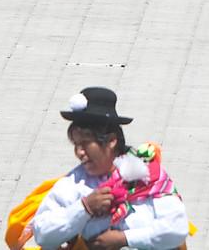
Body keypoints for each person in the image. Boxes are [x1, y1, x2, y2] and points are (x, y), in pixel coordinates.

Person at [13, 88, 192, 249]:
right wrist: (84, 208)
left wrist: (124, 239)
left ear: (111, 140)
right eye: (76, 145)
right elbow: (43, 234)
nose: (79, 152)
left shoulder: (147, 176)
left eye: (85, 144)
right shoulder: (74, 184)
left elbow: (176, 229)